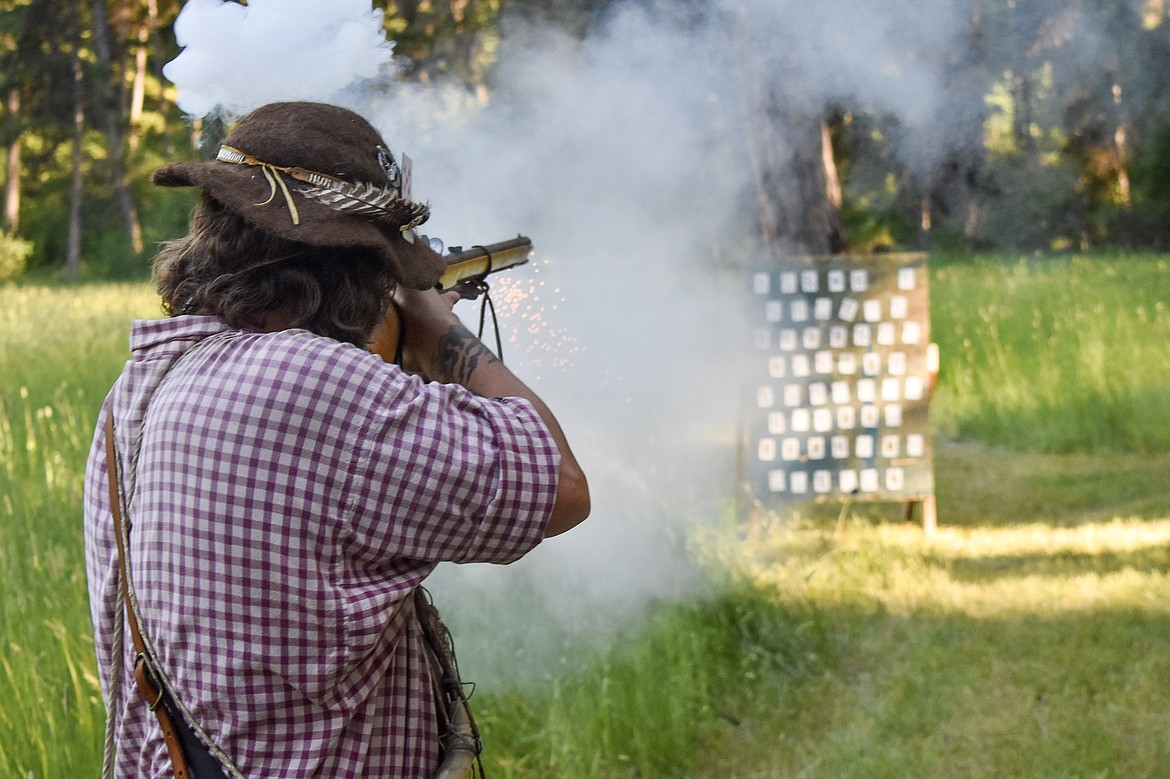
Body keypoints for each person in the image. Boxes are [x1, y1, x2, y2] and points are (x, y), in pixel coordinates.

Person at [83, 101, 590, 778]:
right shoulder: (313, 381)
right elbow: (562, 485)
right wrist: (440, 335)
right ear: (348, 270)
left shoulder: (136, 391)